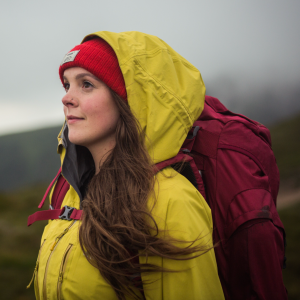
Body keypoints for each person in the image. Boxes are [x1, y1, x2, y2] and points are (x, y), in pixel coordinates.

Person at [30, 31, 225, 300]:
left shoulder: (170, 201)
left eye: (86, 84)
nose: (67, 98)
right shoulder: (69, 188)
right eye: (67, 85)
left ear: (129, 101)